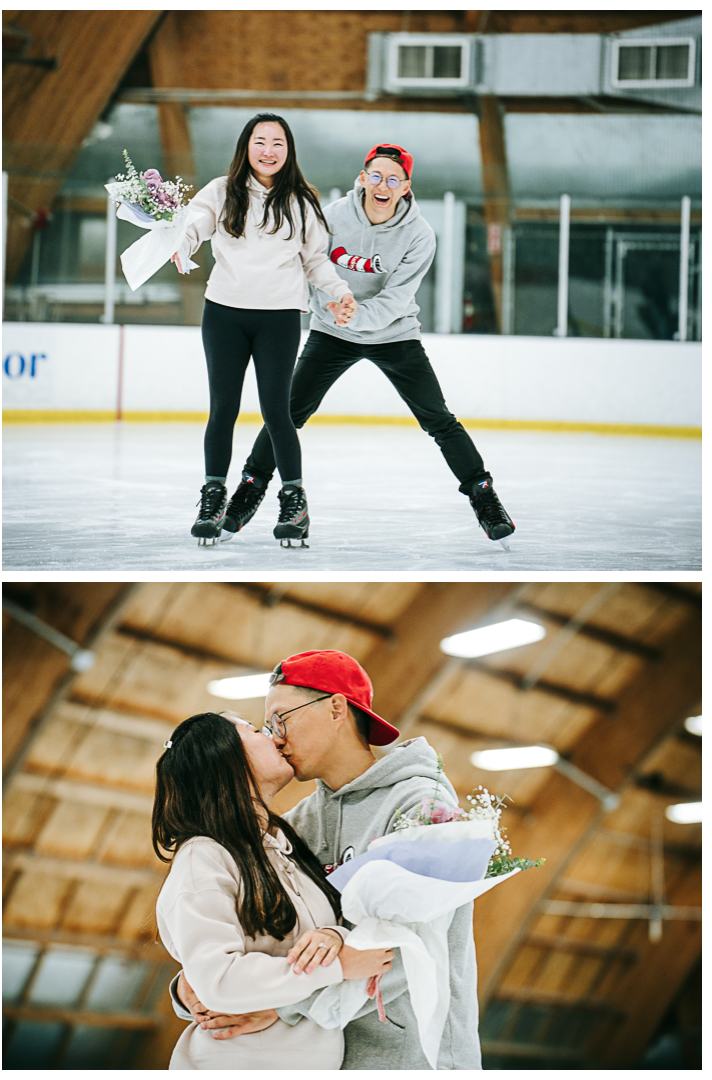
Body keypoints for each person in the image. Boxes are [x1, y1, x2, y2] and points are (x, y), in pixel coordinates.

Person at [171, 650, 483, 1070]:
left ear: (336, 707)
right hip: (329, 1059)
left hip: (412, 1057)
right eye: (267, 726)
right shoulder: (294, 830)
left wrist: (285, 1007)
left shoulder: (421, 806)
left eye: (282, 718)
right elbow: (257, 939)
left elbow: (412, 947)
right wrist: (193, 983)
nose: (276, 735)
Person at [220, 142, 515, 549]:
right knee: (286, 414)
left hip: (393, 334)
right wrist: (334, 308)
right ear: (362, 178)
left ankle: (485, 498)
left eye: (394, 180)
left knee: (439, 420)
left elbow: (397, 298)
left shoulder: (419, 235)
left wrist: (353, 314)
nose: (383, 185)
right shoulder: (331, 217)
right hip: (331, 332)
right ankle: (248, 492)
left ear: (406, 188)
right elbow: (310, 264)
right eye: (376, 175)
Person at [153, 709, 393, 1069]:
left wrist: (334, 936)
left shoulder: (285, 849)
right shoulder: (204, 857)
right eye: (256, 730)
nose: (276, 738)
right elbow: (218, 979)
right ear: (226, 760)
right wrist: (336, 967)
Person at [171, 113, 358, 548]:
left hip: (278, 317)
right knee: (223, 410)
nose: (268, 150)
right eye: (260, 142)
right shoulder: (221, 191)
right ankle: (213, 497)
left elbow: (315, 261)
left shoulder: (302, 202)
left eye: (277, 142)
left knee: (278, 413)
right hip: (224, 314)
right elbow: (195, 223)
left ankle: (294, 504)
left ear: (288, 150)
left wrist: (338, 292)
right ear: (246, 147)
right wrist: (182, 243)